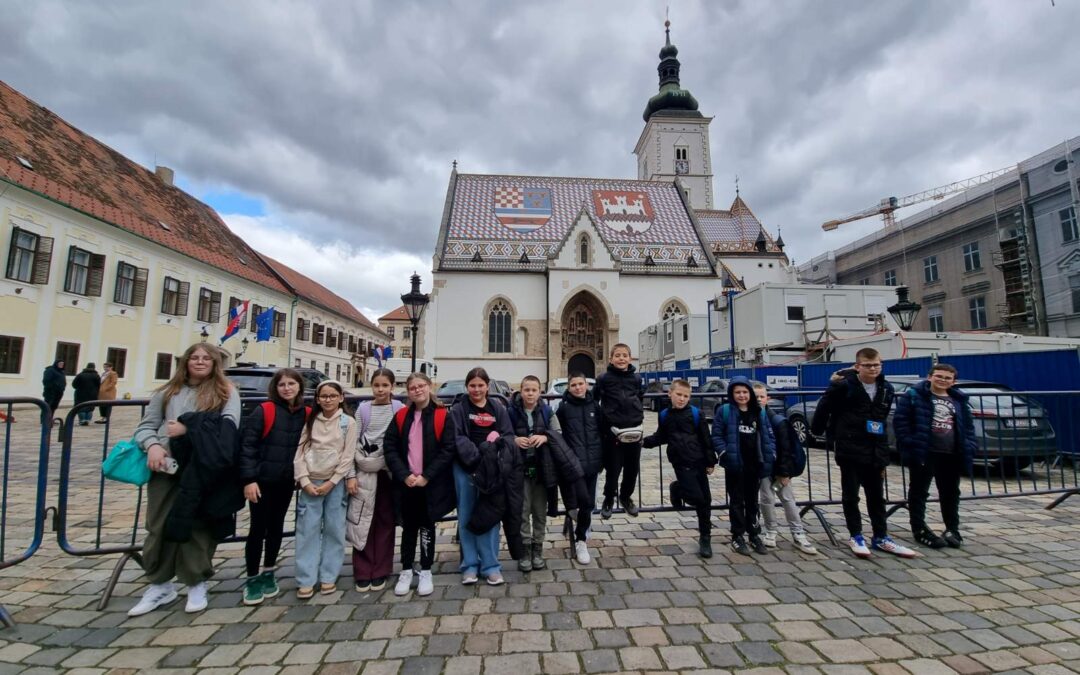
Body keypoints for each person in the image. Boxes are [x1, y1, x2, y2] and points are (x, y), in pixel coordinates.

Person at [129, 343, 241, 616]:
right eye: (195, 357)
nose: (200, 362)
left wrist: (188, 427)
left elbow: (229, 427)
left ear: (215, 364)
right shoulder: (167, 392)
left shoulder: (225, 392)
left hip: (204, 467)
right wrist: (153, 445)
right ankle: (160, 583)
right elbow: (146, 426)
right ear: (185, 362)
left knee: (199, 526)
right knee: (159, 523)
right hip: (167, 466)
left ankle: (195, 580)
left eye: (206, 358)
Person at [811, 348, 915, 559]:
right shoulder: (843, 386)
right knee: (851, 495)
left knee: (876, 496)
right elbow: (824, 407)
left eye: (876, 364)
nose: (873, 368)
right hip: (849, 447)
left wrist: (884, 454)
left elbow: (882, 419)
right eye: (868, 365)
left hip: (875, 449)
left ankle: (881, 536)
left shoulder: (886, 388)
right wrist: (818, 431)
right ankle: (855, 535)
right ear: (857, 366)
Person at [237, 368, 309, 606]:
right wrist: (249, 479)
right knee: (257, 529)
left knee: (276, 527)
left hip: (286, 481)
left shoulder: (305, 413)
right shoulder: (264, 410)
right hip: (262, 480)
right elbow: (248, 446)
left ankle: (269, 571)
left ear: (299, 386)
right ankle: (252, 577)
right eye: (282, 385)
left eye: (291, 384)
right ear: (275, 388)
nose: (286, 388)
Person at [383, 372, 457, 597]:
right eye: (413, 387)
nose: (417, 390)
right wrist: (404, 474)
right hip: (406, 482)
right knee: (408, 527)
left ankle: (426, 569)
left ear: (429, 387)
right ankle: (406, 569)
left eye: (421, 386)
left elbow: (448, 449)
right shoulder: (401, 416)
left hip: (429, 483)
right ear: (408, 391)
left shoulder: (443, 415)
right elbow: (390, 446)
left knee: (427, 526)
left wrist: (427, 475)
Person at [895, 363, 977, 550]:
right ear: (930, 377)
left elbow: (968, 427)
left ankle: (952, 529)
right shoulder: (915, 396)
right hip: (925, 451)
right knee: (919, 491)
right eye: (939, 376)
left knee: (950, 493)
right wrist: (910, 442)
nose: (943, 380)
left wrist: (970, 446)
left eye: (948, 378)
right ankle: (919, 529)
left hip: (951, 453)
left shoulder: (959, 401)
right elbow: (901, 422)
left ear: (953, 381)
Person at [449, 367, 517, 585]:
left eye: (480, 385)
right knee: (467, 515)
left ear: (487, 386)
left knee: (489, 515)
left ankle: (490, 565)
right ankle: (469, 565)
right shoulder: (459, 409)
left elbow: (507, 435)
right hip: (467, 467)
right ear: (467, 387)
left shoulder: (497, 407)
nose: (476, 389)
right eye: (472, 385)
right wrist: (478, 456)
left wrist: (492, 452)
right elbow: (456, 437)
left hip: (492, 470)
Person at [292, 380, 357, 599]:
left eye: (332, 396)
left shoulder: (348, 422)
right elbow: (300, 453)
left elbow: (348, 456)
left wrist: (335, 480)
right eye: (324, 396)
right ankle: (306, 578)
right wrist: (304, 480)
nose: (328, 400)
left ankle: (329, 575)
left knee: (334, 529)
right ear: (318, 399)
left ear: (341, 398)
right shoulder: (311, 421)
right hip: (311, 481)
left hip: (335, 484)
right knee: (307, 531)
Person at [643, 379, 716, 558]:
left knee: (706, 500)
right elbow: (661, 436)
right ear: (670, 394)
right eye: (679, 395)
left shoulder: (696, 414)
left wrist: (710, 461)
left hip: (698, 460)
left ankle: (705, 538)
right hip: (680, 461)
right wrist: (643, 442)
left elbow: (706, 439)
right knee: (696, 497)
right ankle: (678, 489)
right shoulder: (665, 415)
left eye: (685, 396)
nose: (682, 399)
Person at [347, 368, 405, 592]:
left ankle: (381, 569)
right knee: (362, 520)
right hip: (365, 469)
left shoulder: (398, 408)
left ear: (392, 387)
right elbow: (354, 443)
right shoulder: (363, 409)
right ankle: (362, 570)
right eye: (377, 385)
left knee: (385, 520)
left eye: (385, 385)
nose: (380, 389)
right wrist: (351, 474)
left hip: (388, 471)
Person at [711, 377, 776, 555]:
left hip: (754, 464)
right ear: (732, 394)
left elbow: (768, 436)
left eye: (745, 392)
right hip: (734, 465)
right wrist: (724, 453)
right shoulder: (725, 411)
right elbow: (716, 435)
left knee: (752, 502)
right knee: (737, 502)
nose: (742, 395)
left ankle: (754, 534)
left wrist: (771, 453)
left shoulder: (758, 412)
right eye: (738, 392)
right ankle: (737, 536)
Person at [752, 384, 817, 555]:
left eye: (761, 396)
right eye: (756, 396)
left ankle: (798, 532)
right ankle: (771, 530)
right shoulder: (752, 419)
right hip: (763, 468)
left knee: (788, 499)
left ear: (768, 398)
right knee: (766, 499)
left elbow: (786, 449)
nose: (758, 399)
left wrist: (785, 472)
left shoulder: (778, 421)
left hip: (779, 469)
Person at [507, 375, 561, 572]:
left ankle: (538, 549)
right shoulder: (511, 412)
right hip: (519, 469)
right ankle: (525, 551)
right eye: (526, 390)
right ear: (521, 391)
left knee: (539, 511)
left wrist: (545, 437)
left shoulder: (547, 411)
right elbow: (503, 433)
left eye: (534, 390)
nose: (530, 393)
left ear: (540, 392)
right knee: (523, 510)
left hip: (542, 468)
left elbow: (558, 433)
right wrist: (514, 439)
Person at [556, 372, 603, 565]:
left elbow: (601, 432)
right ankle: (577, 526)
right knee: (582, 500)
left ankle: (581, 538)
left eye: (580, 384)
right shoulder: (563, 408)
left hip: (592, 463)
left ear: (586, 385)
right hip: (574, 464)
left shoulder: (595, 406)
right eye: (573, 384)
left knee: (588, 504)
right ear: (569, 387)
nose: (577, 387)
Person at [595, 343, 645, 519]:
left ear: (630, 358)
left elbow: (639, 396)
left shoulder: (637, 378)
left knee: (632, 470)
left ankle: (626, 497)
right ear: (611, 358)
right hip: (613, 433)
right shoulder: (603, 378)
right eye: (617, 355)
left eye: (625, 355)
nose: (621, 358)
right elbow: (596, 400)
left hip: (634, 430)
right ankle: (609, 498)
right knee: (613, 470)